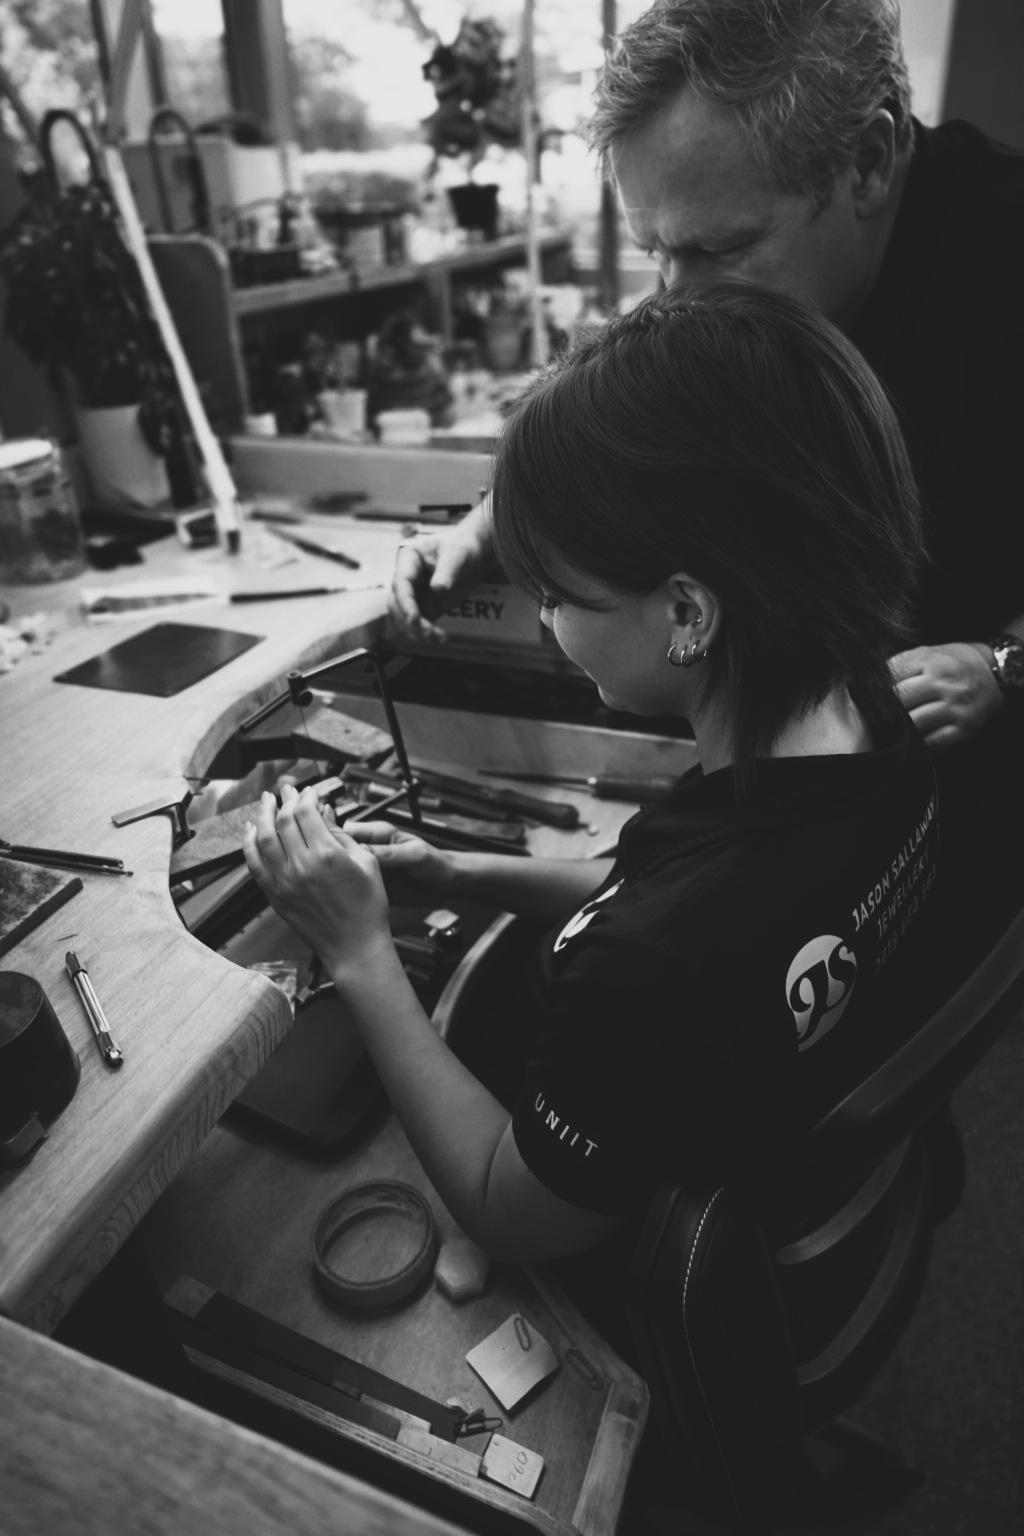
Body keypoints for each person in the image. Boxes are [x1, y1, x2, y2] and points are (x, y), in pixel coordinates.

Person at [244, 285, 938, 1269]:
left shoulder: (661, 960)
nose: (545, 624)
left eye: (554, 595)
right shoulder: (873, 725)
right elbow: (660, 899)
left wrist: (358, 951)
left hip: (591, 1232)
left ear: (687, 615)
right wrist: (456, 872)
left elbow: (510, 1206)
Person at [388, 0, 1024, 862]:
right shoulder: (723, 277)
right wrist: (492, 525)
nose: (680, 300)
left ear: (867, 163)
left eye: (720, 250)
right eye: (657, 253)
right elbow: (642, 422)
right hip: (819, 790)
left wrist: (1003, 663)